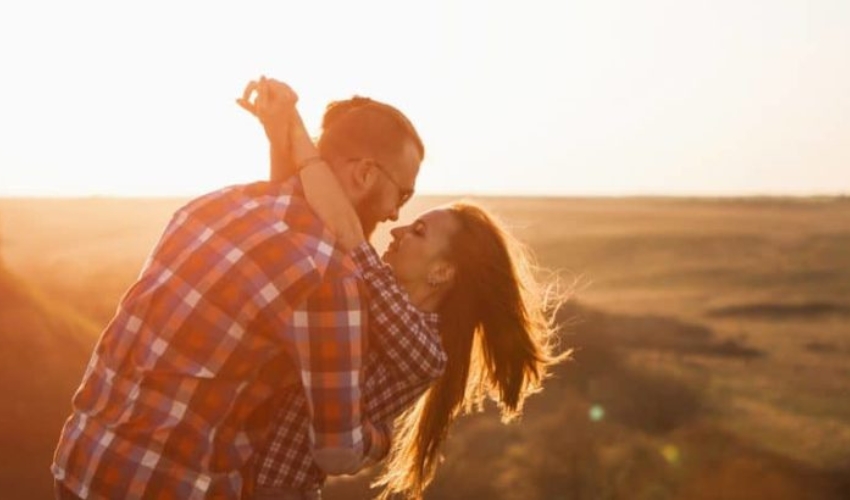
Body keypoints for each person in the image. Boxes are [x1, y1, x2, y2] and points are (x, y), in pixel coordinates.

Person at [50, 80, 435, 499]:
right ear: (363, 174)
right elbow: (337, 449)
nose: (395, 212)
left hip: (83, 464)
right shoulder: (331, 279)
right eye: (403, 193)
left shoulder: (214, 205)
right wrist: (384, 438)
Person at [241, 78, 569, 500]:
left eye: (417, 231)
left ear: (442, 273)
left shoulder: (423, 350)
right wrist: (277, 135)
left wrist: (296, 132)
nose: (396, 228)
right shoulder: (370, 297)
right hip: (239, 475)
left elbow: (341, 225)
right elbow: (300, 223)